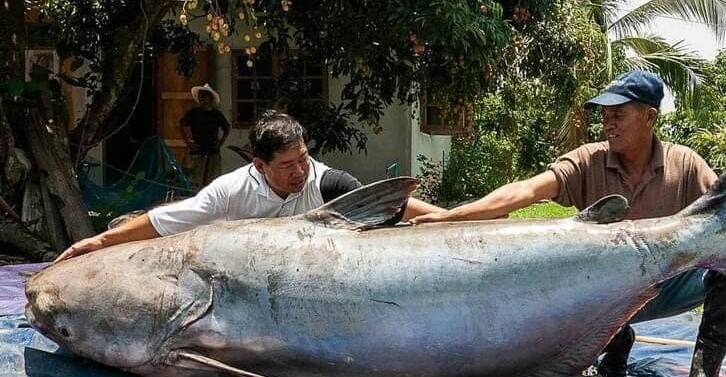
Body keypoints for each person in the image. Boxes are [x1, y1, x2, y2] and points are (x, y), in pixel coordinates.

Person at [411, 70, 726, 377]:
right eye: (605, 116)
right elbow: (526, 190)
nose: (609, 124)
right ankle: (614, 339)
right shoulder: (590, 160)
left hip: (668, 284)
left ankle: (704, 373)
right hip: (601, 295)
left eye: (618, 114)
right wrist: (448, 217)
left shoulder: (686, 164)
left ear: (650, 117)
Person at [57, 110, 443, 263]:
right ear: (259, 165)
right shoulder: (228, 193)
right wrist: (101, 242)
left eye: (304, 158)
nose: (300, 171)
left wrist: (452, 218)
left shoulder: (328, 183)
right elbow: (164, 221)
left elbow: (393, 206)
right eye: (288, 165)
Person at [181, 83, 231, 186]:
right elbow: (182, 125)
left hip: (212, 150)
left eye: (204, 96)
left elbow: (227, 128)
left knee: (212, 180)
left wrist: (220, 143)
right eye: (200, 97)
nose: (202, 99)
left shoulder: (216, 114)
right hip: (198, 150)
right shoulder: (194, 113)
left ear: (210, 98)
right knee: (197, 180)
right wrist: (188, 143)